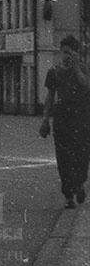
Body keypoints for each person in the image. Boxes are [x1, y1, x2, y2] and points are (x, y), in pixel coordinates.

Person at [39, 36, 90, 209]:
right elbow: (50, 97)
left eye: (70, 53)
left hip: (82, 118)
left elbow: (86, 86)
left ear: (76, 53)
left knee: (82, 156)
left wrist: (76, 67)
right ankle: (69, 195)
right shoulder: (53, 72)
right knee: (63, 158)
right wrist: (45, 120)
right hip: (62, 118)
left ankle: (80, 183)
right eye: (64, 52)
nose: (66, 56)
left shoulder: (84, 69)